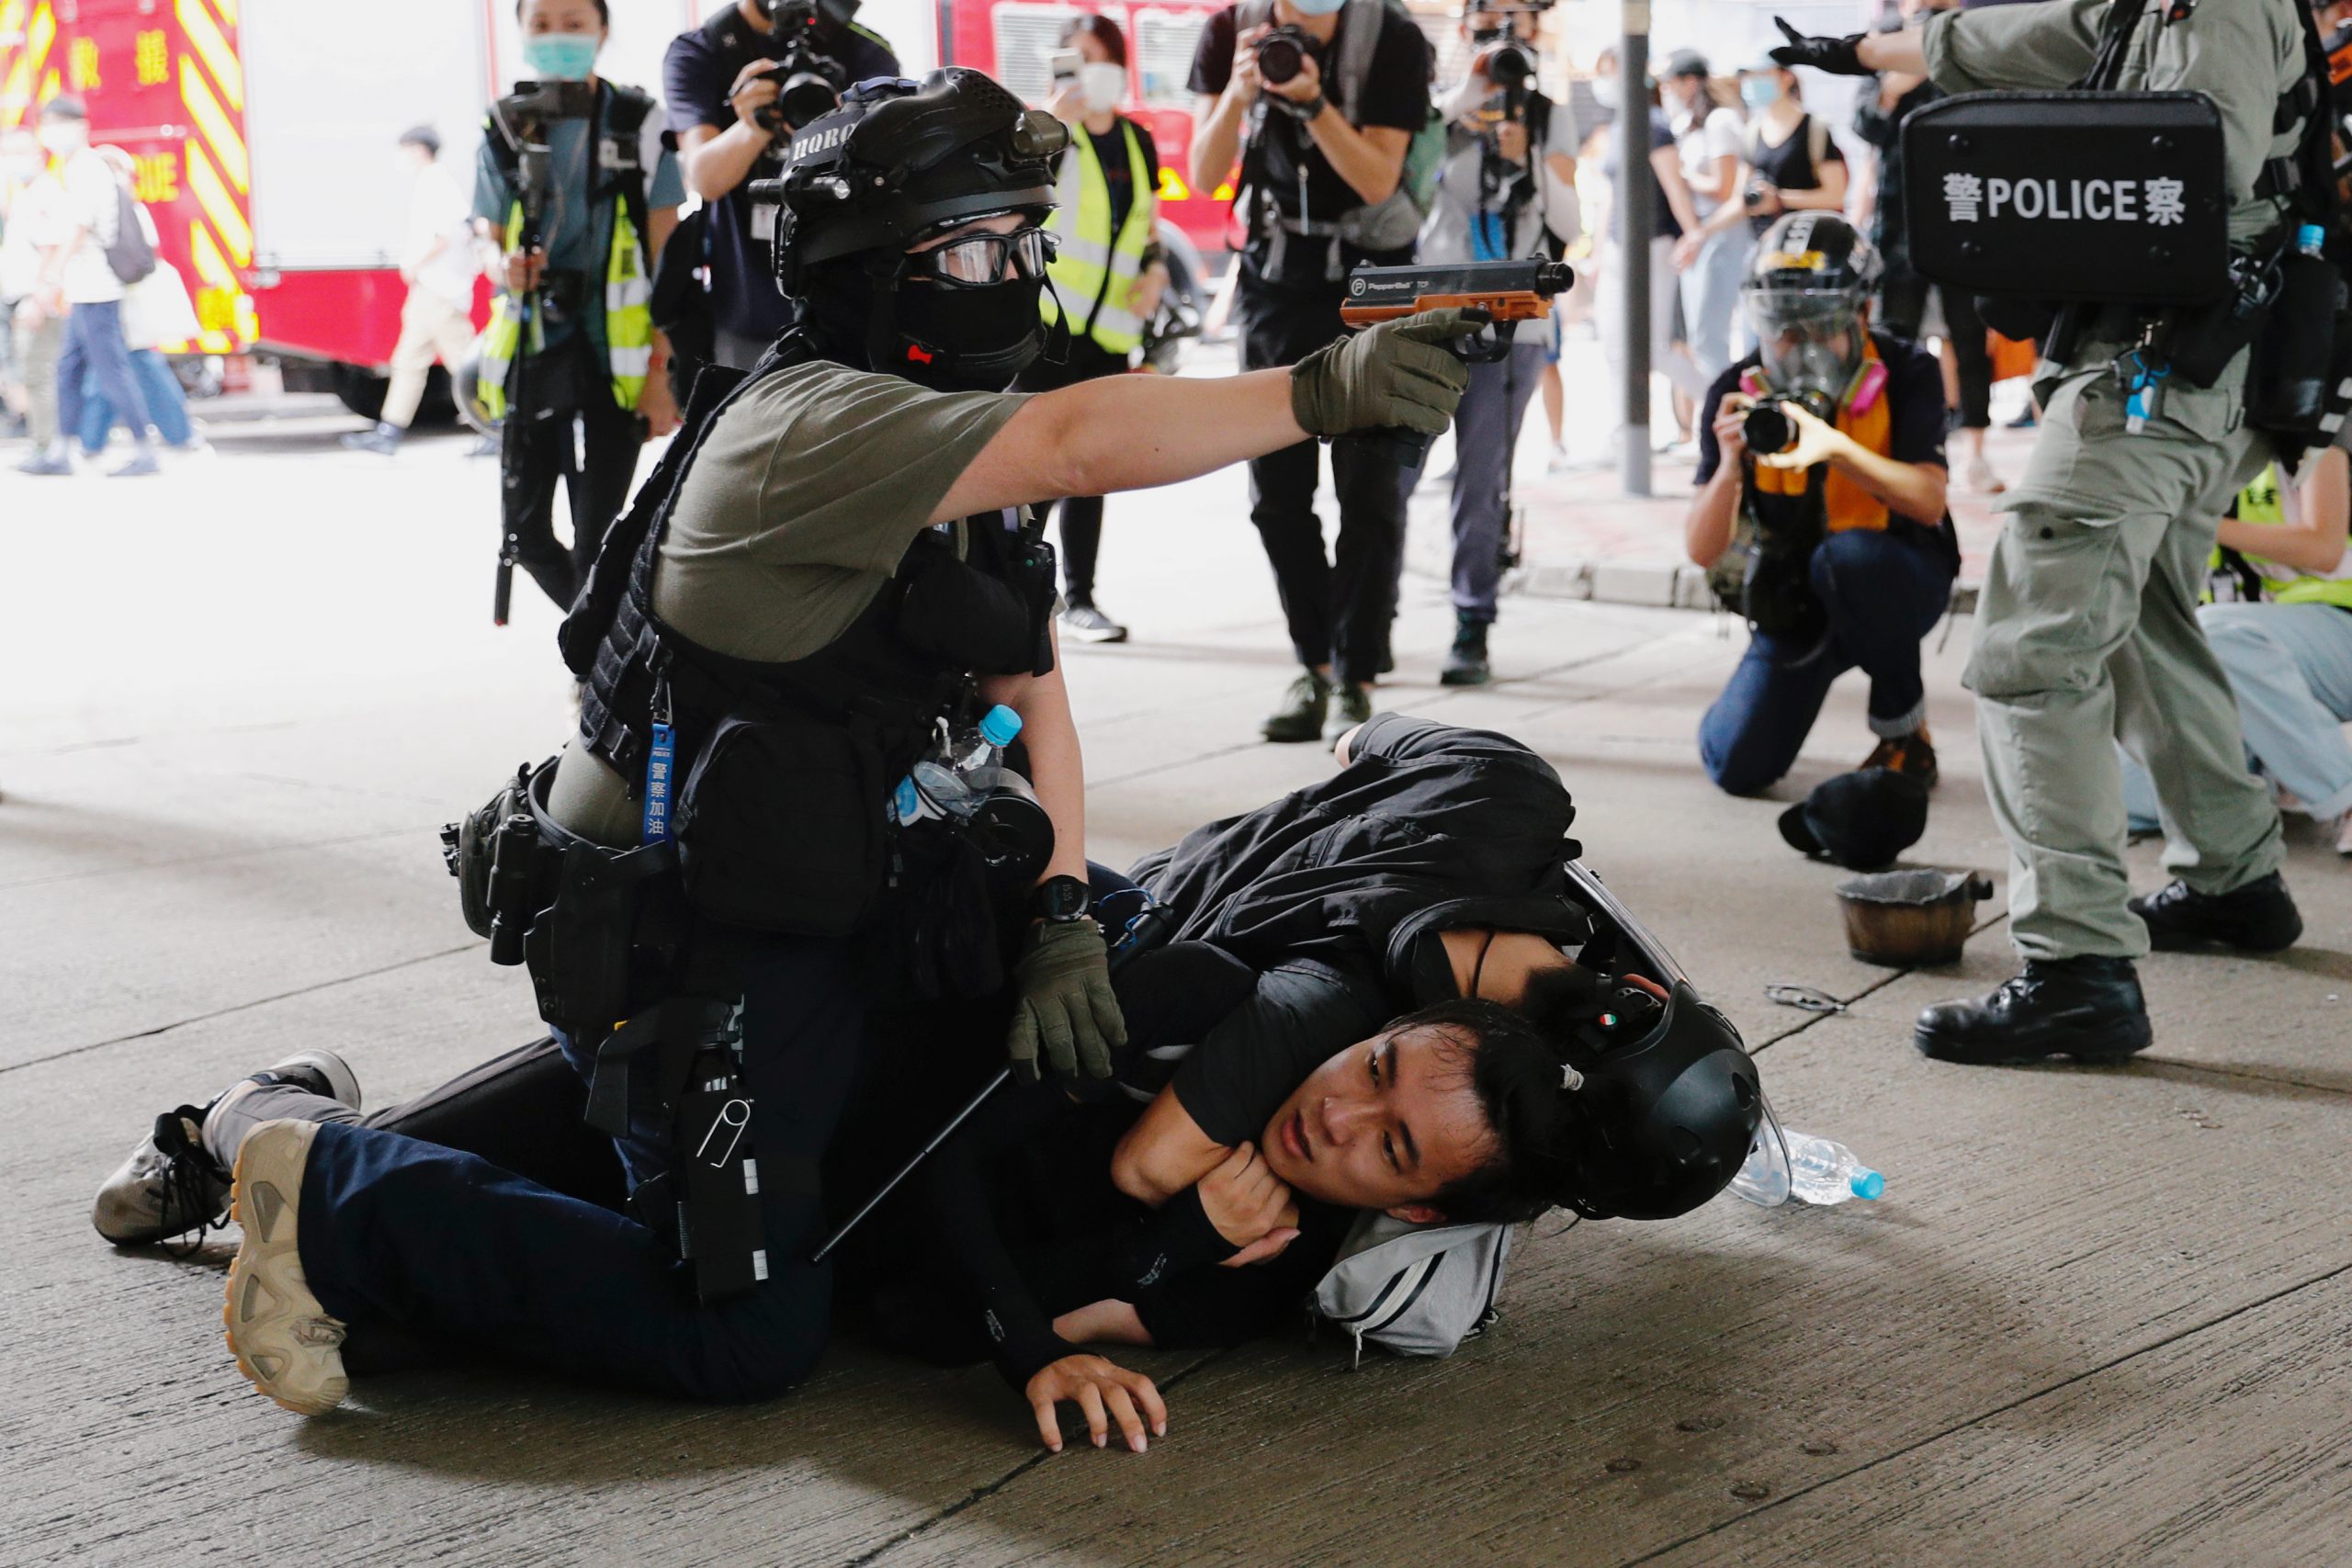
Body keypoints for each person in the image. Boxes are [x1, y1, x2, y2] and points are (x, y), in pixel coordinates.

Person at [86, 67, 1472, 1419]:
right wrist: (1314, 390)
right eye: (980, 244)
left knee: (1092, 936)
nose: (1013, 273)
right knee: (746, 1327)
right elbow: (1076, 440)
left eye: (1022, 240)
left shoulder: (943, 431)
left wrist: (1058, 911)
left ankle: (268, 1128)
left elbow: (1030, 683)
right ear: (880, 265)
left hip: (796, 886)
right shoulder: (819, 423)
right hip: (685, 928)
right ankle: (324, 1186)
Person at [1770, 0, 2312, 1066]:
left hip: (2152, 370)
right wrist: (1877, 50)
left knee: (2029, 651)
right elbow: (2042, 36)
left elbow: (2193, 168)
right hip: (2174, 370)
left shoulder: (2220, 4)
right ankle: (2233, 880)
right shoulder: (2151, 5)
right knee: (2149, 615)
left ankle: (2076, 970)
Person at [1187, 0, 1437, 742]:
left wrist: (1314, 101)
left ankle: (1358, 676)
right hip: (1274, 281)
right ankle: (1314, 664)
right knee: (1277, 494)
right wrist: (1241, 91)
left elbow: (1375, 179)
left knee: (1370, 488)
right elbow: (1203, 174)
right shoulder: (1230, 31)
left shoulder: (1392, 38)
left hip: (1373, 287)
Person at [1683, 213, 1956, 796]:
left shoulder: (1909, 370)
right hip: (1795, 601)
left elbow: (1930, 503)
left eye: (1819, 326)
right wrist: (1731, 463)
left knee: (1849, 557)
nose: (1801, 347)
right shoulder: (1738, 391)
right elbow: (1703, 551)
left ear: (1861, 313)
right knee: (1736, 767)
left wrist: (1836, 449)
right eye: (1783, 329)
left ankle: (1904, 733)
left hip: (1895, 579)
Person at [475, 0, 686, 612]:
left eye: (574, 23)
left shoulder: (640, 121)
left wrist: (660, 373)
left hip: (614, 360)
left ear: (602, 31)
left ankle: (596, 671)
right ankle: (600, 651)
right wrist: (506, 265)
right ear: (519, 32)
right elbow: (486, 237)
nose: (557, 37)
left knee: (601, 536)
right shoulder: (504, 124)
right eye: (541, 24)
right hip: (534, 352)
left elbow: (666, 255)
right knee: (527, 532)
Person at [1414, 3, 1579, 686]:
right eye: (1491, 17)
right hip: (1430, 316)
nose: (1505, 33)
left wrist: (1529, 160)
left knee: (1481, 483)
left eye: (1520, 17)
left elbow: (1569, 219)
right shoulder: (1435, 111)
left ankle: (1471, 623)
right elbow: (1407, 197)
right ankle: (1367, 627)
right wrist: (1459, 109)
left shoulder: (1548, 116)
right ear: (1464, 28)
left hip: (1514, 324)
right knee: (1389, 473)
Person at [2120, 438, 2352, 859]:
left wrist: (2194, 520)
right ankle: (2265, 769)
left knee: (2215, 635)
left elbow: (2324, 546)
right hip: (2238, 666)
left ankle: (2343, 791)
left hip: (2336, 630)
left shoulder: (2310, 432)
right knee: (2123, 793)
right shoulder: (2171, 451)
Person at [1018, 14, 1170, 645]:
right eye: (1076, 58)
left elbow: (1148, 222)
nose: (1091, 71)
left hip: (1109, 332)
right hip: (1048, 327)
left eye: (1101, 57)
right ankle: (1013, 586)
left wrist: (1157, 271)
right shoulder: (1045, 133)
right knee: (1032, 469)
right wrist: (1054, 124)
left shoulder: (1137, 141)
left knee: (1092, 467)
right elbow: (1022, 207)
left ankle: (1079, 598)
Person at [664, 0, 899, 370]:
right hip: (747, 309)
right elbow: (704, 178)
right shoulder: (702, 50)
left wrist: (841, 119)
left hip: (852, 308)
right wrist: (754, 125)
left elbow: (889, 179)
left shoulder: (865, 52)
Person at [1850, 0, 2003, 495]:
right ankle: (1891, 444)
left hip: (1962, 216)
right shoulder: (1882, 41)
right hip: (1899, 224)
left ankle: (1976, 452)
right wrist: (1892, 91)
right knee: (1894, 338)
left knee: (1969, 340)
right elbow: (1866, 128)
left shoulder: (1968, 34)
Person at [28, 96, 160, 478]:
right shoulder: (72, 168)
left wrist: (50, 280)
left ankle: (144, 450)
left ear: (80, 127)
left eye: (60, 123)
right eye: (48, 123)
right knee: (69, 369)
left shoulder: (87, 168)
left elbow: (77, 229)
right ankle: (62, 451)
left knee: (111, 370)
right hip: (84, 288)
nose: (53, 132)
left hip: (98, 289)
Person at [1591, 49, 1710, 457]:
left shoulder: (1654, 127)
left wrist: (1693, 233)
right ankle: (1624, 431)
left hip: (1653, 247)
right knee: (1612, 343)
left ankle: (1717, 405)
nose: (1604, 83)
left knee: (1655, 348)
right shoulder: (1620, 126)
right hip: (1615, 251)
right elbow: (1609, 195)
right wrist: (1594, 252)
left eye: (1610, 74)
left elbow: (1674, 187)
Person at [344, 126, 483, 456]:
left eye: (405, 149)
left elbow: (443, 237)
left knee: (464, 363)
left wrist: (414, 265)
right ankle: (389, 430)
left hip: (440, 289)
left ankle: (495, 427)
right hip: (429, 289)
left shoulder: (436, 184)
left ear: (419, 149)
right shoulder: (432, 182)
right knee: (408, 360)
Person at [1662, 51, 1748, 382]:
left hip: (1720, 232)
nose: (1670, 91)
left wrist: (1681, 177)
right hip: (1698, 232)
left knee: (1708, 335)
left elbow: (1724, 187)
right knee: (1697, 336)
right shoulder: (1689, 124)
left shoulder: (1720, 121)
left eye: (1674, 83)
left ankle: (1722, 405)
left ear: (1691, 82)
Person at [2, 124, 66, 466]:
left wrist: (38, 298)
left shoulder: (42, 195)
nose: (11, 160)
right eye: (6, 153)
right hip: (27, 298)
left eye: (18, 152)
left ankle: (50, 448)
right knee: (34, 372)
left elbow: (50, 249)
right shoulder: (26, 194)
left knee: (39, 373)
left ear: (38, 155)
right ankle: (46, 446)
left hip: (37, 300)